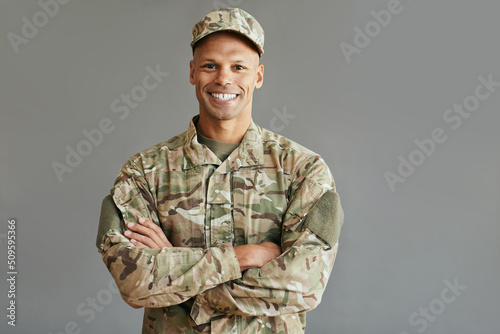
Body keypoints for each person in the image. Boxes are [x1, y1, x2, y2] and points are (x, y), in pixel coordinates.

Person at [96, 7, 344, 334]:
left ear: (258, 76)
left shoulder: (302, 170)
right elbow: (135, 283)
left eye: (238, 67)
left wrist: (174, 268)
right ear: (192, 72)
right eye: (210, 65)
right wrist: (242, 257)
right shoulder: (145, 172)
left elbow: (302, 285)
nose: (223, 79)